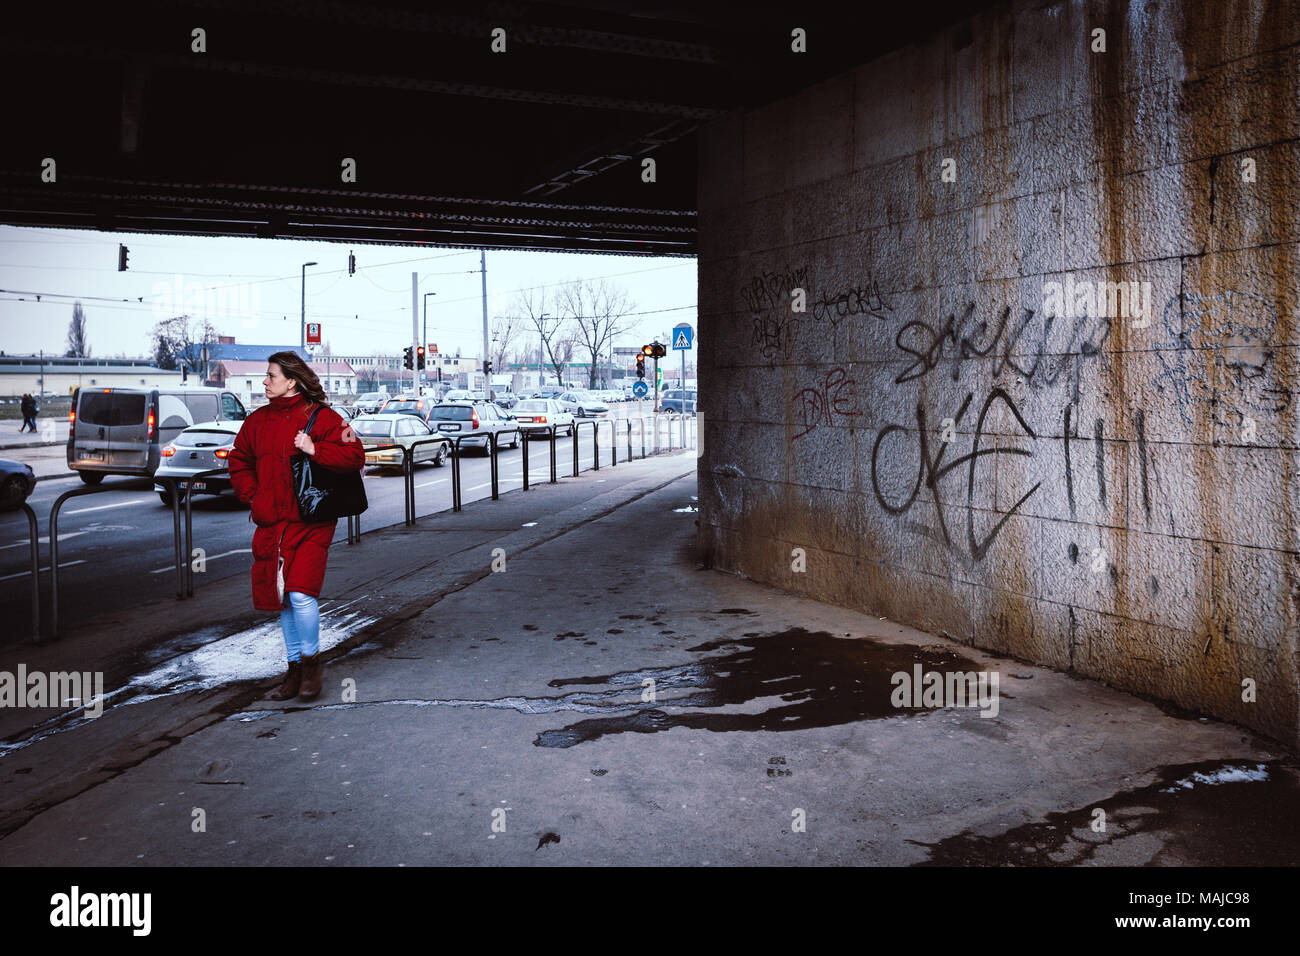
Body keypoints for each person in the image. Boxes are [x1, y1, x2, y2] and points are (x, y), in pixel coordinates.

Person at [227, 352, 365, 701]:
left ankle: (311, 665)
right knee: (283, 599)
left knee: (302, 593)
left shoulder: (324, 418)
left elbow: (355, 455)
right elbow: (239, 459)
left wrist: (315, 448)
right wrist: (251, 496)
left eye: (271, 375)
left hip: (312, 521)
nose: (265, 381)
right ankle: (293, 671)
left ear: (291, 381)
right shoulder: (256, 421)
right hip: (272, 523)